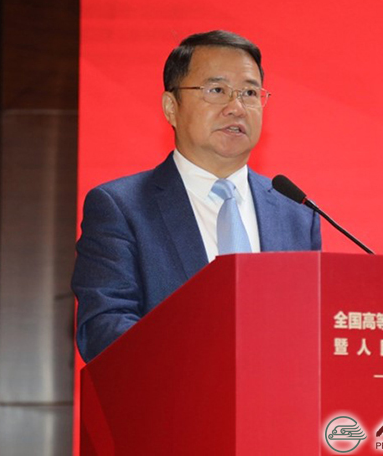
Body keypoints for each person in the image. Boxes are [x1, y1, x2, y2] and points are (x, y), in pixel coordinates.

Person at [71, 30, 321, 362]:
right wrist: (204, 360)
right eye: (216, 90)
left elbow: (312, 328)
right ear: (171, 107)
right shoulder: (121, 207)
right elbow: (103, 328)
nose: (236, 107)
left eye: (249, 92)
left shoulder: (296, 213)